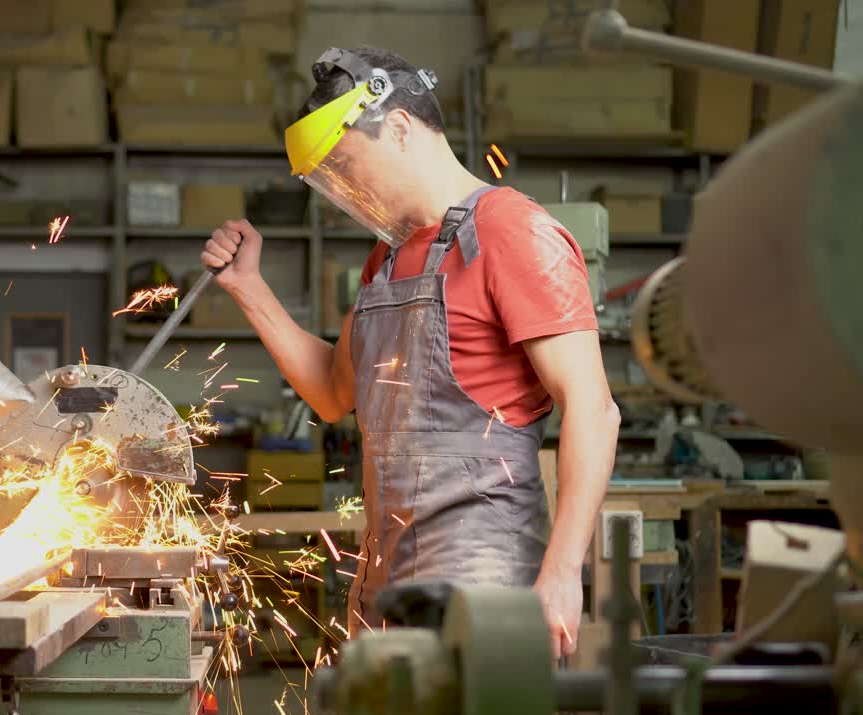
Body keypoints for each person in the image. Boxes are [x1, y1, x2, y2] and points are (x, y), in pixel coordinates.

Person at [200, 47, 619, 659]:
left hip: (483, 572)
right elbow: (332, 392)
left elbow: (593, 407)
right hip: (387, 566)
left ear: (398, 128)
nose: (340, 189)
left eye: (344, 164)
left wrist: (560, 573)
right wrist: (249, 287)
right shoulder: (388, 258)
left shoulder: (511, 232)